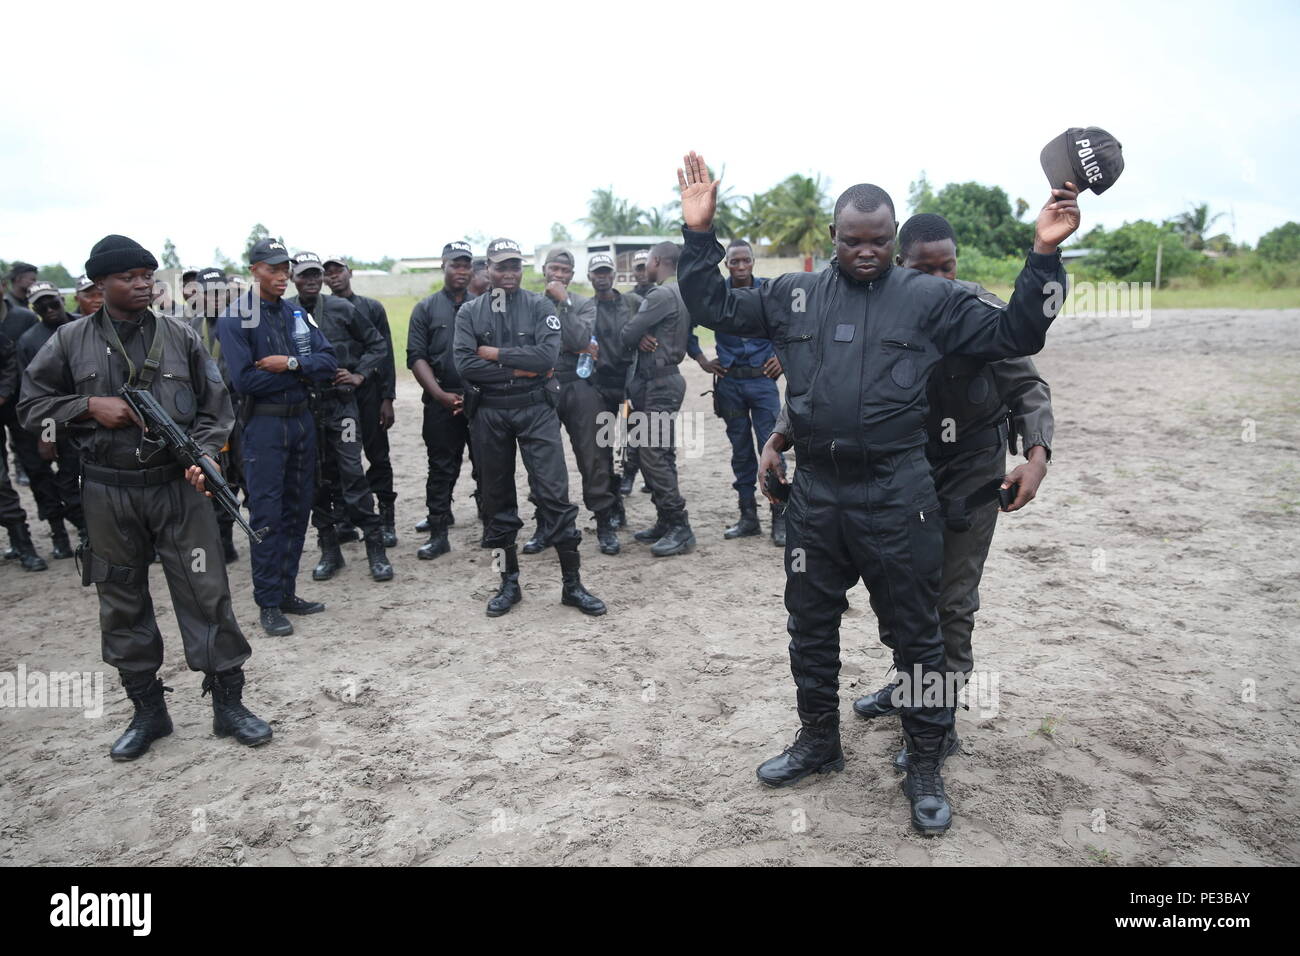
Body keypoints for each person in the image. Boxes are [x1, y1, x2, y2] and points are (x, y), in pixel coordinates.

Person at [676, 150, 1079, 836]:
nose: (866, 252)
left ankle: (924, 761)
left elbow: (1017, 331)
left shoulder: (928, 297)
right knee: (808, 624)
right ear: (831, 238)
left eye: (878, 241)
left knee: (920, 635)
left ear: (893, 239)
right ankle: (817, 742)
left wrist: (1043, 254)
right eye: (852, 240)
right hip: (819, 495)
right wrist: (697, 235)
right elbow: (712, 303)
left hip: (899, 491)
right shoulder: (793, 294)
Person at [761, 212, 1055, 770]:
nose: (941, 281)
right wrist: (780, 435)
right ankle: (909, 689)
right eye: (927, 270)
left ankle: (936, 730)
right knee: (905, 599)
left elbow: (1027, 384)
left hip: (970, 467)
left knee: (949, 599)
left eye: (949, 267)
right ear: (902, 267)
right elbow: (828, 387)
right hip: (901, 468)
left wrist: (1035, 458)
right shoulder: (884, 303)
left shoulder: (973, 307)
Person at [19, 234, 272, 760]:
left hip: (177, 488)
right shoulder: (69, 340)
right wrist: (88, 406)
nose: (141, 286)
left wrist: (204, 455)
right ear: (99, 284)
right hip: (108, 493)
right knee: (121, 598)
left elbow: (216, 407)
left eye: (147, 277)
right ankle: (148, 712)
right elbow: (31, 408)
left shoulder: (180, 335)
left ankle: (228, 706)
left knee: (207, 592)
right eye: (128, 278)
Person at [452, 238, 605, 617]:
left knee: (555, 496)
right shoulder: (470, 312)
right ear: (486, 269)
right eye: (500, 266)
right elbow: (465, 365)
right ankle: (507, 583)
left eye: (514, 266)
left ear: (522, 269)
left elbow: (547, 356)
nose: (507, 273)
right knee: (497, 503)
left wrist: (496, 355)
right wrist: (518, 365)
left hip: (536, 409)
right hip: (489, 412)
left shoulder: (539, 306)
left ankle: (573, 584)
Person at [216, 238, 338, 636]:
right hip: (264, 428)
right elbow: (245, 380)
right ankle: (268, 602)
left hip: (302, 422)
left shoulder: (296, 312)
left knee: (298, 509)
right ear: (255, 270)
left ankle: (287, 592)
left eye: (285, 268)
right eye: (273, 268)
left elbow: (329, 362)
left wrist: (289, 363)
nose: (282, 276)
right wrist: (302, 371)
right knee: (267, 516)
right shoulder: (235, 318)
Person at [286, 252, 393, 583]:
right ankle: (329, 548)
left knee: (351, 470)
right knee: (318, 477)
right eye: (305, 275)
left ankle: (375, 546)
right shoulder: (282, 311)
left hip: (343, 406)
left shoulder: (343, 308)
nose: (312, 280)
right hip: (305, 408)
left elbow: (378, 344)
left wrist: (360, 375)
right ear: (294, 278)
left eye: (316, 274)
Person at [687, 238, 786, 545]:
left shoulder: (769, 291)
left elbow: (793, 324)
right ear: (726, 264)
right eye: (734, 262)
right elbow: (686, 326)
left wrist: (783, 356)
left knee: (772, 448)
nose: (741, 266)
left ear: (753, 261)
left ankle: (779, 519)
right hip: (729, 383)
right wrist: (702, 359)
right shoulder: (717, 295)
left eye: (746, 260)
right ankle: (748, 518)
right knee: (740, 451)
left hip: (762, 382)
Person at [522, 249, 619, 556]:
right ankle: (545, 525)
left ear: (572, 275)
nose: (559, 275)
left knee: (594, 456)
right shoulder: (529, 304)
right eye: (555, 268)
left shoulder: (582, 303)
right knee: (541, 460)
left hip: (579, 384)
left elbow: (581, 341)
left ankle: (604, 521)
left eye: (565, 270)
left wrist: (563, 302)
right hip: (541, 384)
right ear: (544, 269)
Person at [620, 241, 695, 557]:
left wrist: (638, 333)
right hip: (658, 381)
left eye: (648, 260)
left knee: (652, 454)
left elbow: (626, 334)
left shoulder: (662, 293)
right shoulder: (681, 292)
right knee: (659, 454)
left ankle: (680, 526)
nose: (645, 266)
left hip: (659, 384)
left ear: (659, 261)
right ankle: (666, 521)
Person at [407, 241, 478, 559]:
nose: (461, 271)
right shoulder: (425, 308)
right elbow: (416, 356)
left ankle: (492, 526)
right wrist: (439, 394)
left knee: (488, 467)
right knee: (440, 468)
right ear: (443, 266)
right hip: (440, 399)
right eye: (455, 264)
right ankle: (438, 531)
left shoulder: (484, 306)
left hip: (481, 402)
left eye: (466, 265)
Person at [323, 255, 398, 547]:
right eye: (328, 273)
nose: (333, 277)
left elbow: (386, 352)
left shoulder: (371, 307)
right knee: (338, 459)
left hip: (368, 392)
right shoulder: (319, 310)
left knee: (377, 454)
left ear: (349, 272)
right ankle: (344, 520)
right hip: (336, 396)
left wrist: (388, 397)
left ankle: (386, 518)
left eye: (338, 271)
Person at [13, 281, 86, 558]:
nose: (49, 308)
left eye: (53, 302)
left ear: (61, 299)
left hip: (97, 419)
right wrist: (46, 436)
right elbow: (32, 395)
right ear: (34, 308)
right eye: (41, 305)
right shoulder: (29, 341)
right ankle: (76, 533)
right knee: (62, 485)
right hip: (60, 424)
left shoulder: (86, 326)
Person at [186, 268, 243, 563]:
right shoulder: (189, 327)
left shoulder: (244, 322)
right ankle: (224, 541)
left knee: (248, 475)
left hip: (244, 413)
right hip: (209, 418)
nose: (215, 298)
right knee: (215, 478)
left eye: (221, 291)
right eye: (208, 293)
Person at [587, 252, 641, 532]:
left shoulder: (632, 303)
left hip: (631, 384)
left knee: (638, 442)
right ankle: (614, 507)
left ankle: (662, 511)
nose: (603, 277)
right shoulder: (586, 308)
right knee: (603, 450)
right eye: (597, 273)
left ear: (614, 276)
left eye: (607, 272)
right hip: (600, 387)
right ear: (590, 277)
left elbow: (659, 320)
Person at [0, 324, 46, 569]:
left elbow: (9, 360)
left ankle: (23, 544)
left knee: (4, 482)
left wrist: (3, 392)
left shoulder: (14, 330)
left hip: (13, 410)